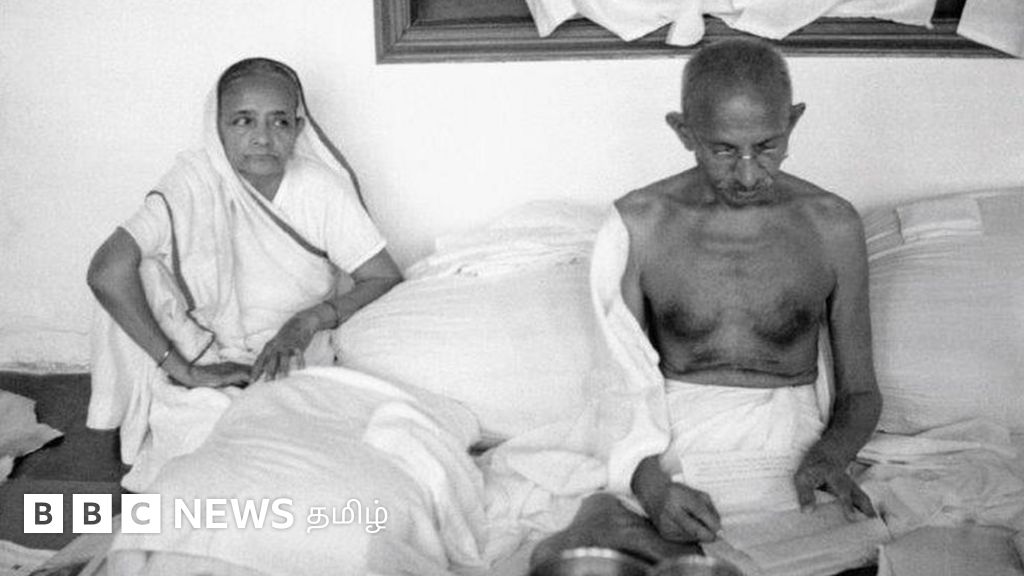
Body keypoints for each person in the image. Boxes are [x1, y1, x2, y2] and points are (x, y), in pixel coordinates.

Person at [531, 38, 882, 564]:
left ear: (793, 121)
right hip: (674, 450)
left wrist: (830, 457)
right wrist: (652, 488)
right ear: (684, 132)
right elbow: (618, 391)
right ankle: (619, 521)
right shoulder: (639, 226)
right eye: (723, 151)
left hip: (791, 454)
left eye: (767, 146)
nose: (748, 173)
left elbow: (861, 393)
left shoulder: (833, 226)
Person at [86, 57, 401, 490]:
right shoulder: (192, 181)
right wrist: (184, 369)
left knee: (285, 454)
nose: (262, 138)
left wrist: (306, 322)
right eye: (243, 121)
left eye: (279, 122)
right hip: (202, 352)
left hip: (292, 354)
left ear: (298, 128)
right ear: (216, 127)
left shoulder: (319, 189)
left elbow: (382, 276)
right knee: (207, 453)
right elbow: (106, 271)